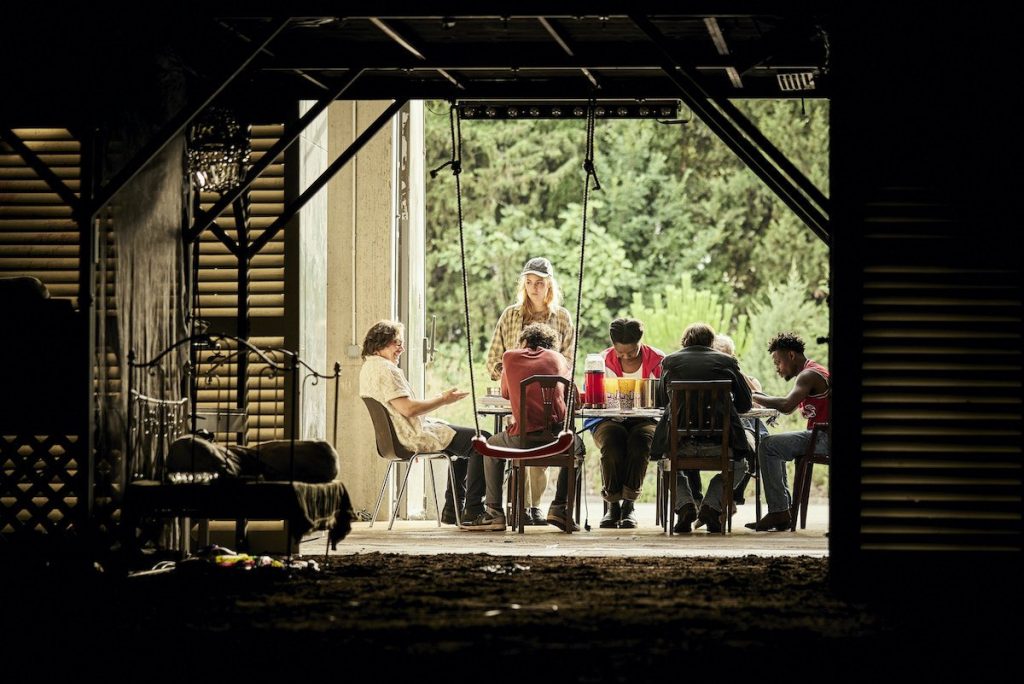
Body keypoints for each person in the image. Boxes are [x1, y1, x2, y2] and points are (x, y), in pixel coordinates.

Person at [358, 320, 489, 524]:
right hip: (410, 437)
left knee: (462, 439)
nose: (401, 348)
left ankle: (452, 509)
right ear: (379, 344)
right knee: (481, 440)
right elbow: (409, 409)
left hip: (396, 438)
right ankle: (473, 509)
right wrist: (443, 399)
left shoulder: (369, 367)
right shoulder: (386, 370)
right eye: (396, 343)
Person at [463, 323, 582, 532]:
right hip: (557, 440)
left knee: (491, 446)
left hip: (522, 440)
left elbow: (506, 394)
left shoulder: (509, 357)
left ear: (525, 342)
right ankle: (560, 507)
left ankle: (494, 513)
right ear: (550, 346)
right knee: (579, 450)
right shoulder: (559, 359)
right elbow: (574, 396)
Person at [484, 257, 576, 525]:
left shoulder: (561, 317)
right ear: (523, 285)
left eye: (539, 283)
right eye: (529, 282)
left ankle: (533, 505)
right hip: (513, 399)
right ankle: (521, 506)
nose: (533, 288)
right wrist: (513, 378)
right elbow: (493, 360)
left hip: (550, 400)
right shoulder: (511, 315)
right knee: (520, 433)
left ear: (549, 286)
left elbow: (568, 361)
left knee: (540, 441)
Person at [650, 322, 753, 533]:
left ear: (684, 342)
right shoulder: (727, 362)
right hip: (720, 445)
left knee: (666, 463)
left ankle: (686, 505)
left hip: (680, 444)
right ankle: (711, 506)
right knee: (741, 464)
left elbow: (661, 401)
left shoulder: (670, 362)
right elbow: (745, 404)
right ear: (710, 342)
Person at [745, 332, 831, 531]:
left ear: (791, 356)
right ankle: (781, 511)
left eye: (778, 362)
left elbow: (785, 405)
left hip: (824, 437)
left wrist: (753, 396)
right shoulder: (810, 373)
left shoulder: (808, 375)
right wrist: (757, 396)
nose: (777, 368)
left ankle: (779, 512)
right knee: (773, 447)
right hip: (821, 435)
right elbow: (789, 405)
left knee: (768, 446)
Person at [587, 318, 665, 529]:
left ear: (640, 342)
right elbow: (592, 397)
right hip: (608, 419)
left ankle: (629, 504)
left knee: (642, 443)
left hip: (646, 419)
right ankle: (613, 504)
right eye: (620, 353)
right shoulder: (601, 361)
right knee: (612, 443)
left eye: (631, 352)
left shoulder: (658, 361)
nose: (625, 357)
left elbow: (665, 399)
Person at [712, 333, 766, 507]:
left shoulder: (745, 379)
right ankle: (722, 499)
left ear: (732, 357)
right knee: (750, 446)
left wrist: (736, 371)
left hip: (746, 425)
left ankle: (732, 496)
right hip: (723, 428)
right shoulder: (709, 379)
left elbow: (756, 401)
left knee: (760, 444)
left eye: (726, 356)